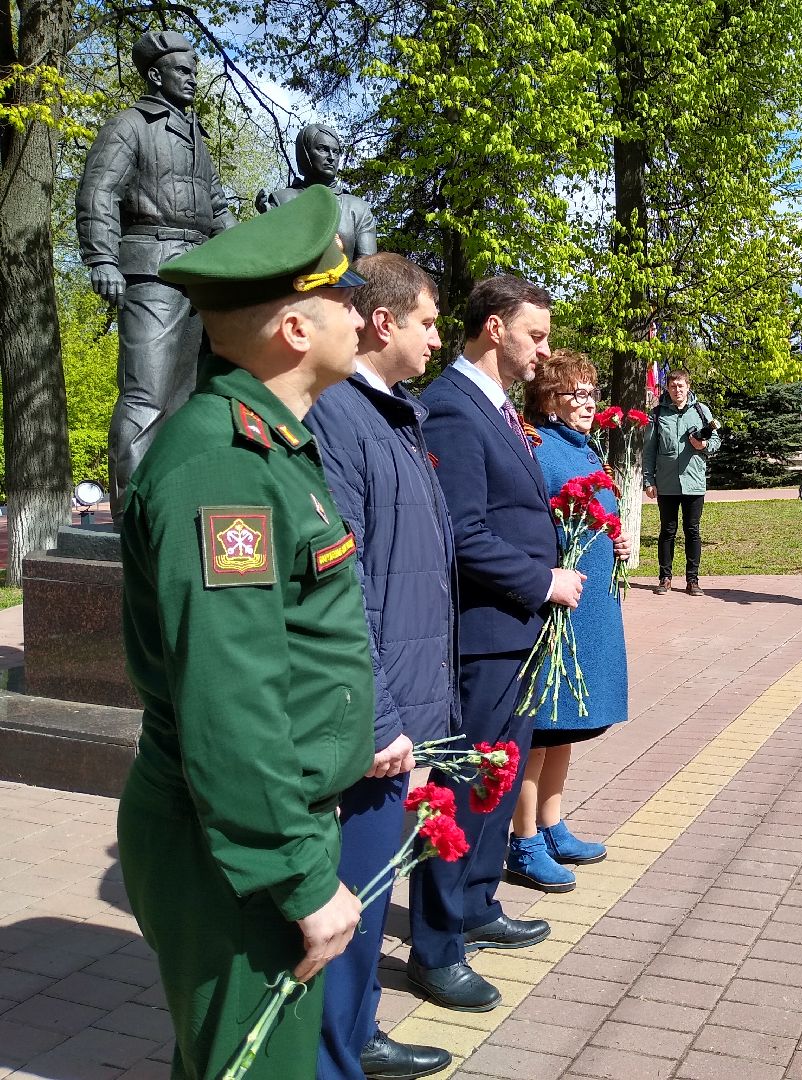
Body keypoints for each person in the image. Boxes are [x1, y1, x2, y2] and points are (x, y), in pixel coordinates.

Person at [115, 185, 372, 1078]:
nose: (358, 309)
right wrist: (299, 877)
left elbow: (289, 645)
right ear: (295, 329)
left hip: (253, 827)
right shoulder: (223, 467)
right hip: (233, 847)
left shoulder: (269, 446)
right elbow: (228, 699)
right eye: (341, 293)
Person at [407, 275, 584, 1012]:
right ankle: (437, 945)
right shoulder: (452, 408)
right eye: (534, 335)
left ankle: (478, 905)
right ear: (491, 329)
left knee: (496, 783)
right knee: (462, 790)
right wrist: (543, 581)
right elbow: (464, 533)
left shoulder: (498, 409)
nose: (543, 350)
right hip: (485, 635)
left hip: (515, 635)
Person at [304, 254, 455, 1080]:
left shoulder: (396, 412)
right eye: (429, 321)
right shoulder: (340, 415)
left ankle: (357, 1034)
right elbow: (345, 579)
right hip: (371, 714)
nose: (438, 337)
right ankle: (334, 1056)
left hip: (401, 698)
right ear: (384, 321)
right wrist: (382, 715)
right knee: (354, 898)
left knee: (371, 895)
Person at [76, 30, 235, 510]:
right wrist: (102, 257)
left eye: (193, 71)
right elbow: (98, 191)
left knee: (185, 400)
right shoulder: (130, 125)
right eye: (182, 71)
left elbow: (218, 208)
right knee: (145, 395)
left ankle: (171, 504)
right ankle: (132, 515)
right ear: (155, 74)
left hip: (198, 274)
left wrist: (258, 253)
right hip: (150, 269)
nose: (192, 80)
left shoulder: (194, 136)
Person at [506, 351, 631, 892]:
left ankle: (553, 825)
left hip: (587, 607)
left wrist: (615, 535)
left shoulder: (583, 446)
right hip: (556, 607)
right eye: (575, 394)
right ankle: (523, 838)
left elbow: (593, 511)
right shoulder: (536, 446)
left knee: (565, 729)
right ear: (547, 398)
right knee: (538, 730)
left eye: (591, 392)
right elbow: (528, 523)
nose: (588, 403)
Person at [643, 369, 721, 595]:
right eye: (673, 386)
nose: (677, 390)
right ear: (667, 388)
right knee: (667, 530)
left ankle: (692, 580)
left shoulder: (700, 410)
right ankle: (665, 578)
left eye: (681, 386)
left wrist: (704, 446)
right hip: (666, 483)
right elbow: (649, 451)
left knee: (692, 530)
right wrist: (649, 481)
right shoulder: (657, 414)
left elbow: (716, 440)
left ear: (688, 387)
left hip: (693, 481)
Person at [258, 123, 378, 260]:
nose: (331, 157)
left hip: (347, 281)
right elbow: (268, 259)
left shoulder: (358, 208)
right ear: (305, 153)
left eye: (336, 152)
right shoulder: (283, 199)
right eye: (323, 149)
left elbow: (367, 267)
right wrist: (268, 225)